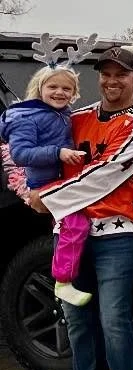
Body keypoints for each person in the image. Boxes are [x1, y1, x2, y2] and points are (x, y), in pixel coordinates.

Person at [33, 46, 133, 370]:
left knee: (114, 317)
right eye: (105, 74)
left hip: (116, 235)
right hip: (70, 235)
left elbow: (106, 174)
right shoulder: (77, 118)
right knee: (75, 315)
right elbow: (37, 144)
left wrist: (48, 198)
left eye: (120, 74)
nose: (111, 81)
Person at [1, 55, 91, 305]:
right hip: (45, 184)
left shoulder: (62, 114)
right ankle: (63, 281)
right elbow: (20, 154)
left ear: (74, 93)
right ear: (39, 87)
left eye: (66, 88)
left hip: (63, 180)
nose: (59, 92)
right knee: (75, 224)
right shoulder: (27, 117)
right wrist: (57, 153)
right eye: (53, 87)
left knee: (72, 226)